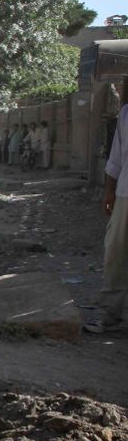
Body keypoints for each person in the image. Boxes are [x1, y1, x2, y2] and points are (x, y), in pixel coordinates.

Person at [85, 102, 128, 334]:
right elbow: (117, 157)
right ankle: (111, 313)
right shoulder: (125, 114)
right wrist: (109, 190)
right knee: (115, 251)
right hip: (125, 192)